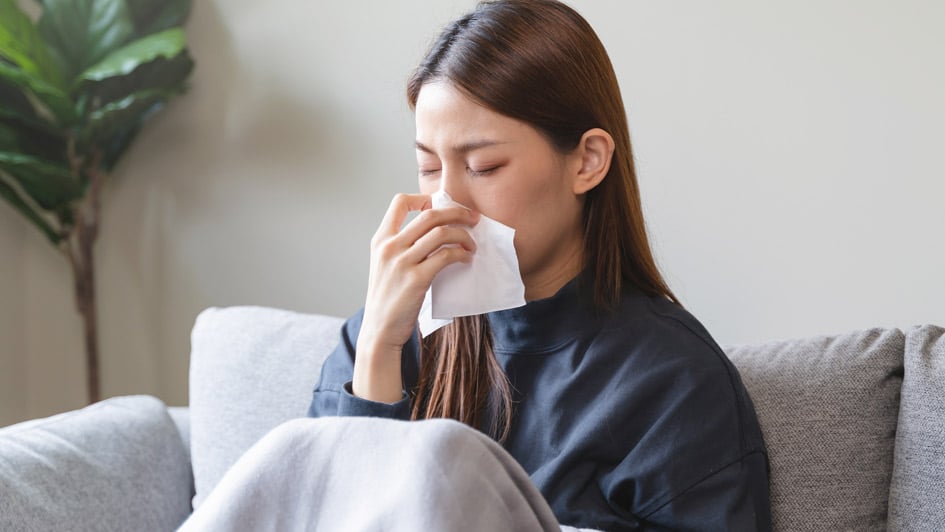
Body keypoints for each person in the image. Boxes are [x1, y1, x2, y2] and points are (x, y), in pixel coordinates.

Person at [183, 1, 772, 530]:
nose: (450, 203)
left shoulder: (669, 379)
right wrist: (379, 349)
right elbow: (311, 514)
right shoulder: (381, 339)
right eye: (430, 169)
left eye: (484, 166)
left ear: (587, 161)